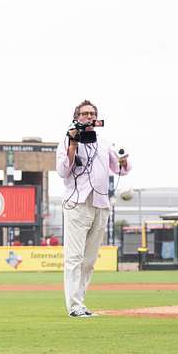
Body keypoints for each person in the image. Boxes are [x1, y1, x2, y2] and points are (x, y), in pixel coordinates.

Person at [56, 99, 129, 317]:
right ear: (76, 117)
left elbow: (120, 170)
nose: (88, 117)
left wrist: (124, 161)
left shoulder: (105, 143)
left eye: (92, 114)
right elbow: (62, 171)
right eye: (85, 113)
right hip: (76, 203)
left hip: (100, 203)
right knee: (74, 258)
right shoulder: (66, 141)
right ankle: (74, 306)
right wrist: (72, 144)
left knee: (89, 260)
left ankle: (80, 303)